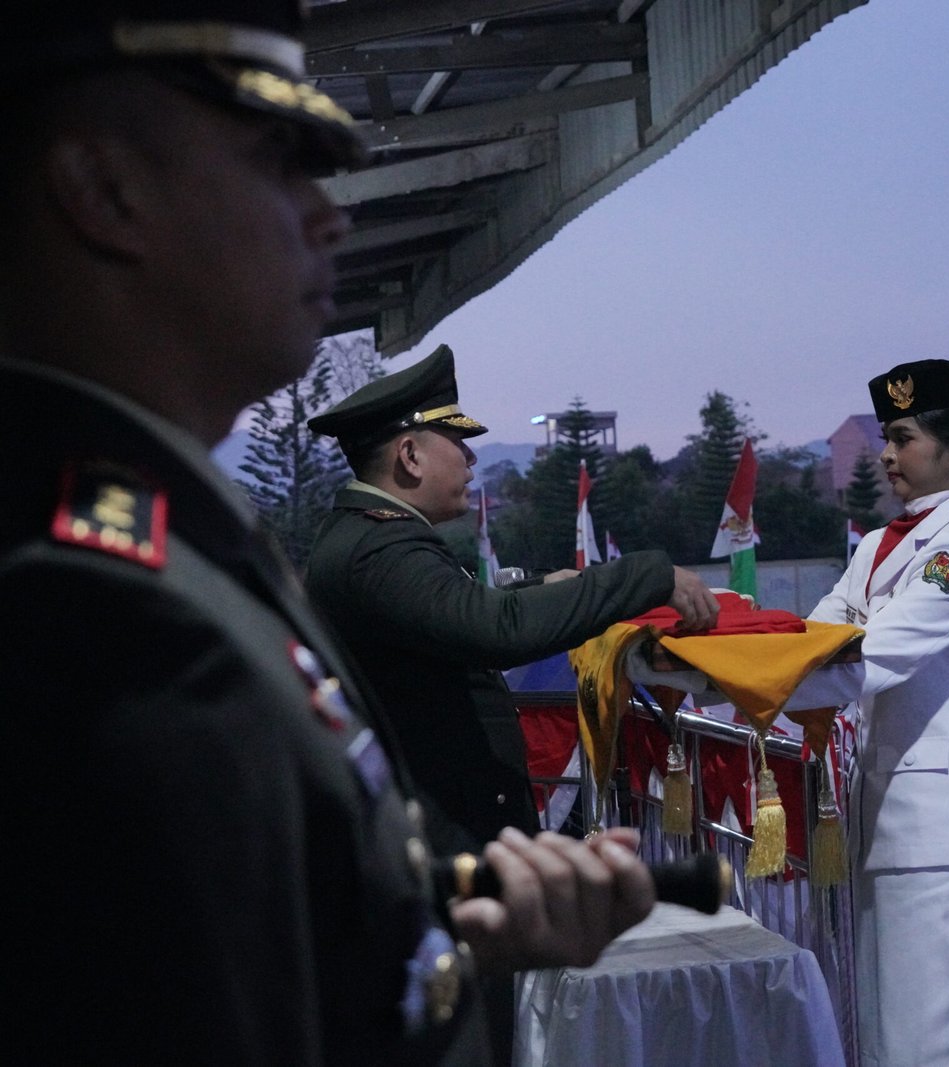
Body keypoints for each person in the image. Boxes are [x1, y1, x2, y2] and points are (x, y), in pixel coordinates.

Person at [0, 4, 654, 1062]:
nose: (329, 218)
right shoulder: (88, 606)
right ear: (105, 190)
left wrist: (446, 920)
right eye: (278, 161)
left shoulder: (168, 538)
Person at [304, 348, 719, 1063]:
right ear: (409, 455)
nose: (471, 460)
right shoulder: (380, 550)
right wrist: (647, 575)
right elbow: (495, 630)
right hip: (439, 844)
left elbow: (467, 611)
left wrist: (547, 585)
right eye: (456, 442)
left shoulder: (377, 537)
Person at [809, 358, 949, 1067]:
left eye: (903, 438)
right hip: (886, 825)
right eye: (886, 438)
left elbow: (868, 657)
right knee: (891, 1043)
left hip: (945, 833)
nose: (886, 455)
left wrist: (730, 677)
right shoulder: (877, 546)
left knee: (947, 1043)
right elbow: (812, 638)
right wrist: (708, 655)